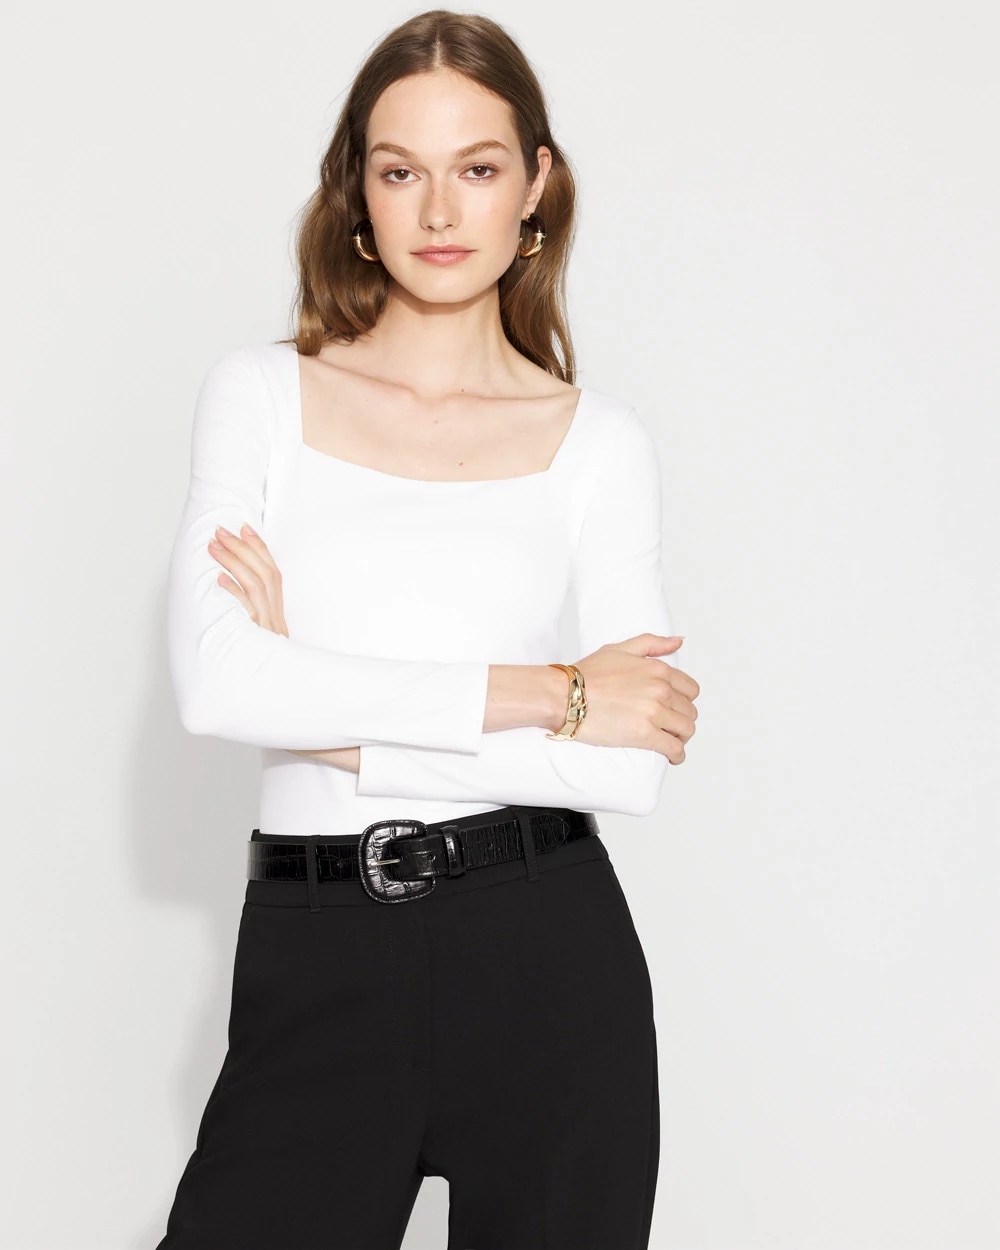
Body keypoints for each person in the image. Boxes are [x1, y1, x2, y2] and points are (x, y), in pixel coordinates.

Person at [155, 8, 699, 1248]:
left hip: (547, 958)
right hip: (315, 954)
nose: (441, 210)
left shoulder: (596, 442)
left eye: (478, 168)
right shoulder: (262, 396)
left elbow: (628, 766)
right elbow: (216, 686)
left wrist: (321, 710)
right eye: (401, 171)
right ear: (357, 189)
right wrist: (548, 691)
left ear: (535, 186)